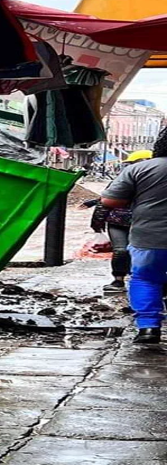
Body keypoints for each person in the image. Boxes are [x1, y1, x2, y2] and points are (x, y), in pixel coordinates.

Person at [102, 132, 167, 344]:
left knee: (146, 279)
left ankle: (148, 328)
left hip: (149, 237)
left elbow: (109, 200)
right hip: (148, 235)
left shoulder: (140, 169)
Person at [82, 150, 153, 294]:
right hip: (118, 222)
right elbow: (106, 200)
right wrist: (97, 225)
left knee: (144, 252)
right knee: (121, 250)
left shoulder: (156, 182)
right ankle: (118, 280)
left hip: (144, 222)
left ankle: (141, 280)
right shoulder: (123, 179)